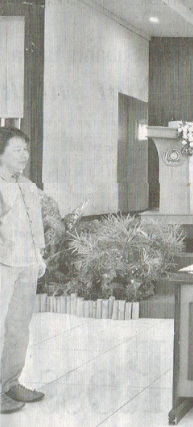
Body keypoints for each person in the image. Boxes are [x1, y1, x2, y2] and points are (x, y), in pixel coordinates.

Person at [0, 127, 46, 413]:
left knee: (19, 327)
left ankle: (9, 383)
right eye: (17, 150)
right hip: (3, 264)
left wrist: (38, 257)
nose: (24, 155)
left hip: (27, 263)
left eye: (26, 150)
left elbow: (35, 225)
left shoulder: (27, 185)